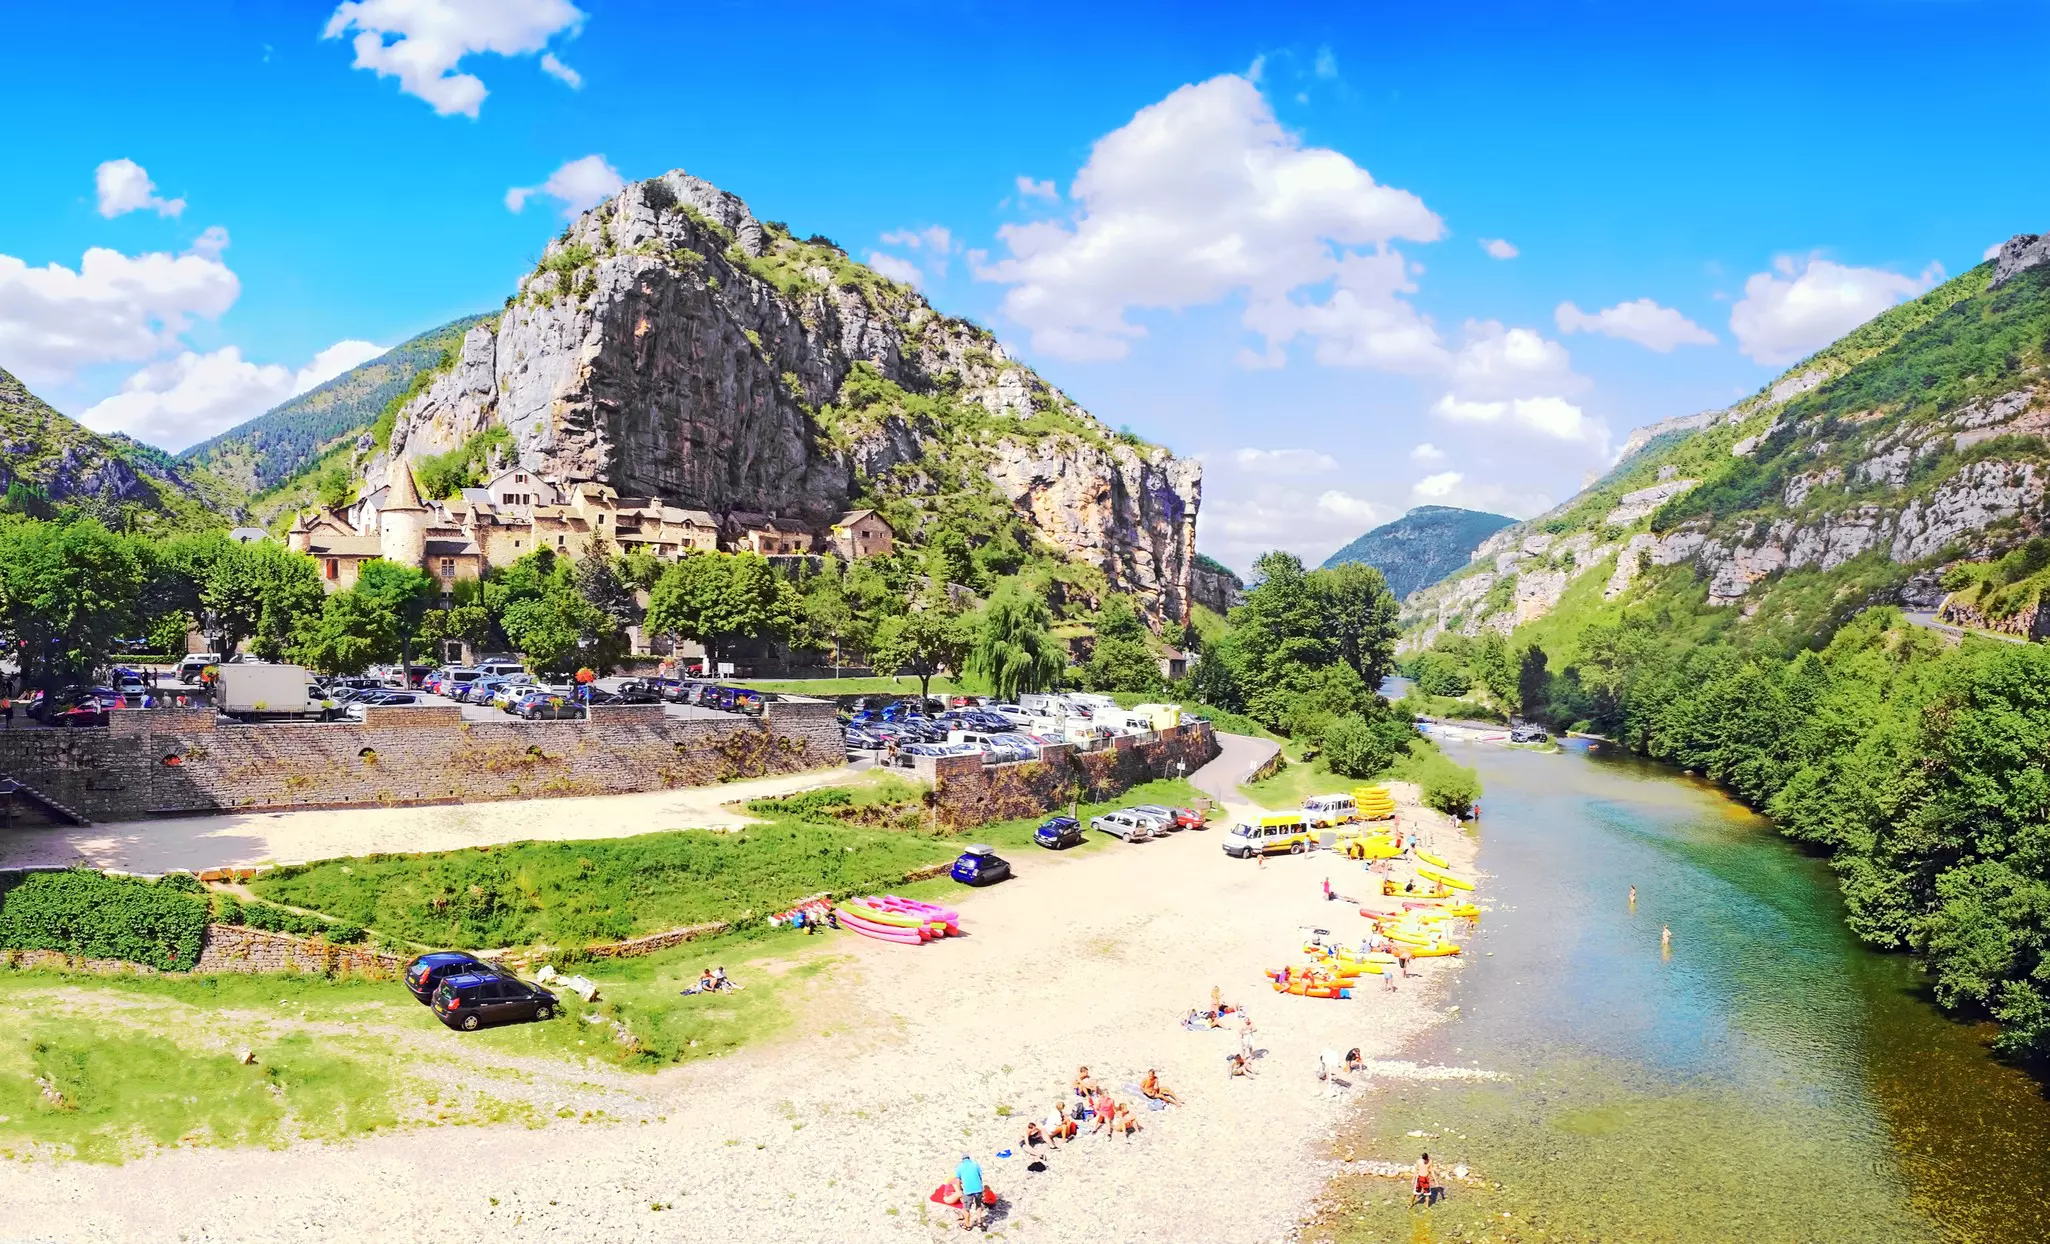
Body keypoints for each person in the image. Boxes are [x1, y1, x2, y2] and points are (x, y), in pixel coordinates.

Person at [954, 1154, 985, 1230]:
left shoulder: (959, 1167)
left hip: (968, 1190)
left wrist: (959, 1189)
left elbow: (957, 1180)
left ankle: (967, 1224)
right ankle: (979, 1221)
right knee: (978, 1205)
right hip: (978, 1189)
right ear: (969, 1158)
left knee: (966, 1208)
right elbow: (980, 1177)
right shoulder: (975, 1164)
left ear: (962, 1160)